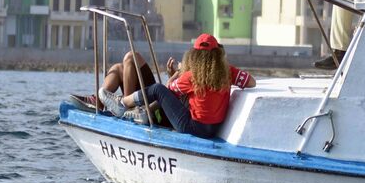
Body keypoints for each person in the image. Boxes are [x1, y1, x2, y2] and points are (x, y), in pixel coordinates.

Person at [100, 34, 256, 139]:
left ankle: (123, 103)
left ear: (194, 55)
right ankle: (132, 108)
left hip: (192, 127)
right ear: (217, 54)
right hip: (214, 129)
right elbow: (251, 82)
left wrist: (177, 73)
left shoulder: (192, 76)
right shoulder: (229, 72)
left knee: (157, 89)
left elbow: (168, 89)